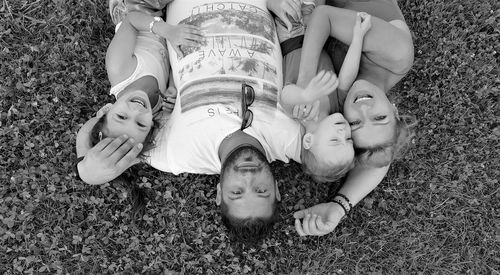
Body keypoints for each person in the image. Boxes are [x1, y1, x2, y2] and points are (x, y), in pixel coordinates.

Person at [78, 0, 305, 242]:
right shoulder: (293, 139)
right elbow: (340, 156)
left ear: (219, 194)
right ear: (277, 190)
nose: (248, 176)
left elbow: (115, 140)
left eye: (237, 192)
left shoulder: (177, 153)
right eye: (261, 190)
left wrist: (85, 169)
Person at [290, 0, 415, 236]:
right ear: (395, 111)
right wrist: (304, 83)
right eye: (380, 117)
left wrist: (339, 207)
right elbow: (323, 16)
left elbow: (377, 159)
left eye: (355, 124)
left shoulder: (346, 96)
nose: (363, 109)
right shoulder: (398, 54)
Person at [279, 12, 372, 182]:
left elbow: (285, 96)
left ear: (308, 140)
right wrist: (358, 37)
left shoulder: (300, 114)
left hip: (289, 34)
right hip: (319, 32)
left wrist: (304, 95)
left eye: (335, 140)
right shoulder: (337, 107)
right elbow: (347, 76)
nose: (343, 131)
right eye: (348, 139)